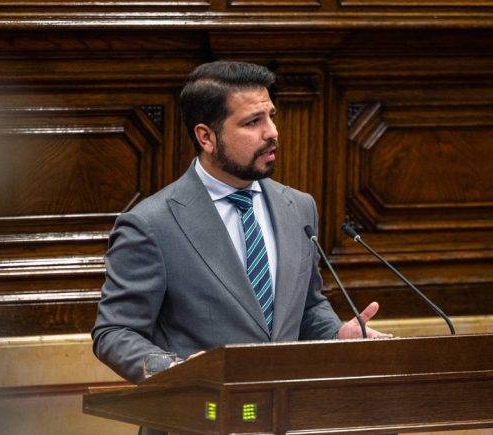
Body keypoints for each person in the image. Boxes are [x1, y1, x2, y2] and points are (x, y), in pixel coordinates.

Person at [91, 61, 390, 389]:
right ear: (206, 137)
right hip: (200, 416)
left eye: (271, 117)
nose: (272, 133)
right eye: (252, 122)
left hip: (287, 414)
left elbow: (305, 307)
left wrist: (336, 335)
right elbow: (115, 332)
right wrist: (175, 369)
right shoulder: (151, 223)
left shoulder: (299, 208)